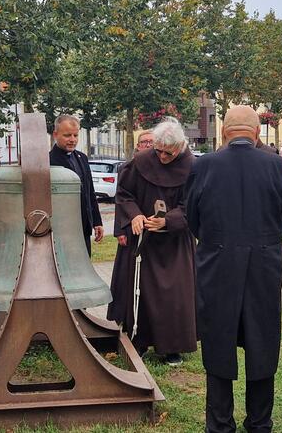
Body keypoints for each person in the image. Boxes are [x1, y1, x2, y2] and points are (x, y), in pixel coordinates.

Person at [186, 105, 282, 433]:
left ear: (224, 133)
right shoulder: (279, 166)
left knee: (218, 341)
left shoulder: (203, 166)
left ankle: (219, 424)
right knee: (262, 341)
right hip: (264, 265)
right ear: (257, 133)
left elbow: (193, 217)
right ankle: (260, 423)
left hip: (216, 265)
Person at [107, 119, 196, 366]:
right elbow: (124, 194)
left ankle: (172, 347)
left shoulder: (193, 167)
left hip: (175, 245)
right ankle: (139, 340)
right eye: (158, 151)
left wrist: (169, 221)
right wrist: (134, 214)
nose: (163, 157)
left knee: (173, 295)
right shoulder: (141, 162)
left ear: (180, 147)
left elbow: (196, 204)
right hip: (142, 242)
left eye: (169, 153)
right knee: (140, 292)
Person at [49, 114, 103, 254]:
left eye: (75, 135)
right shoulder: (47, 161)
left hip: (83, 228)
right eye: (67, 135)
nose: (72, 140)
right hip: (61, 231)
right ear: (55, 134)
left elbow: (90, 192)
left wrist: (97, 222)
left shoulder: (82, 157)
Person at [115, 130, 154, 248]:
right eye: (144, 142)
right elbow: (120, 199)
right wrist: (119, 231)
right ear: (138, 146)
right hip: (131, 223)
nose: (148, 145)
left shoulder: (163, 168)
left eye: (151, 142)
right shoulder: (127, 169)